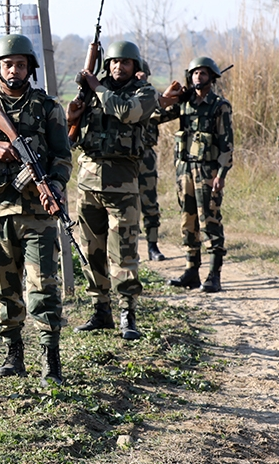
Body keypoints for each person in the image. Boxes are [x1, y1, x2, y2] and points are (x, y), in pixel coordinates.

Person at [0, 34, 72, 387]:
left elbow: (63, 156)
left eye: (21, 64)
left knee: (43, 287)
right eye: (8, 64)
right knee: (5, 287)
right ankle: (13, 354)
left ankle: (50, 357)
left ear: (30, 68)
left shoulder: (48, 108)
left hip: (38, 214)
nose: (14, 70)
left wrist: (54, 184)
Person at [66, 41, 167, 340]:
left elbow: (126, 112)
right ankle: (100, 310)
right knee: (91, 251)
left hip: (122, 182)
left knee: (123, 251)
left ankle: (128, 313)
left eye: (125, 62)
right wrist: (73, 116)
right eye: (113, 62)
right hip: (87, 183)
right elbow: (70, 135)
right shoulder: (90, 92)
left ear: (135, 66)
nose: (118, 67)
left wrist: (96, 85)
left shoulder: (144, 93)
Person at [162, 57, 234, 293]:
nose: (197, 78)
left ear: (212, 77)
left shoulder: (219, 106)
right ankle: (191, 270)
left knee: (209, 220)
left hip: (207, 170)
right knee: (187, 220)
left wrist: (221, 174)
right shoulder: (184, 103)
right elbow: (155, 117)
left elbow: (227, 144)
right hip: (184, 170)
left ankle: (214, 275)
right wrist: (170, 96)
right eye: (194, 73)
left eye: (202, 74)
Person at [137, 60, 167, 262]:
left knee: (149, 202)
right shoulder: (124, 97)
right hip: (124, 158)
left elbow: (163, 112)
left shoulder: (151, 96)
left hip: (146, 155)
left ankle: (152, 245)